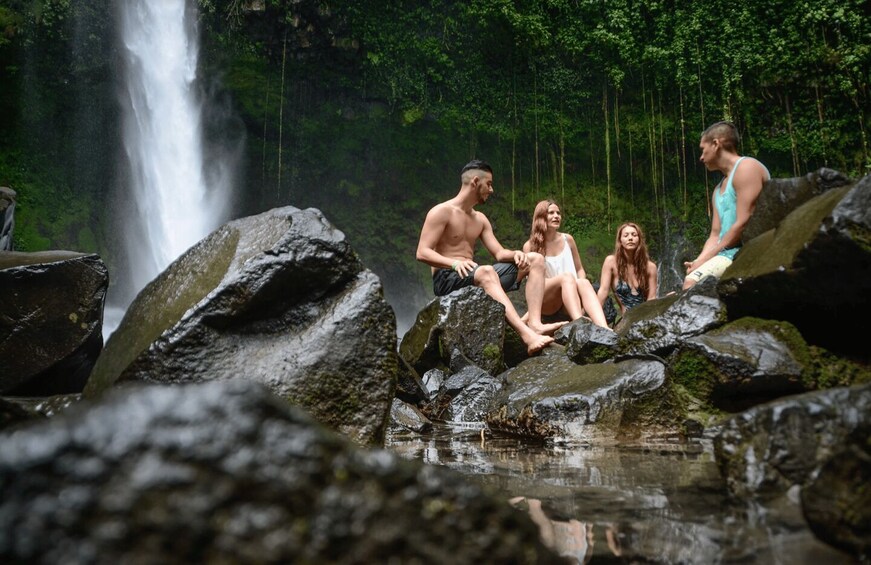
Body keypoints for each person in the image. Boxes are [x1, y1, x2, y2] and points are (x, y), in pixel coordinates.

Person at [416, 160, 565, 355]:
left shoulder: (480, 219)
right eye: (489, 184)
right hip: (447, 279)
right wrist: (454, 263)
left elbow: (499, 254)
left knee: (535, 259)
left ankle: (535, 324)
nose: (491, 190)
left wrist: (516, 254)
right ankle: (527, 336)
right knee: (485, 270)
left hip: (474, 276)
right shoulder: (441, 212)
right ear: (475, 181)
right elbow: (422, 252)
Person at [683, 121, 770, 289]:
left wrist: (705, 260)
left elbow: (743, 222)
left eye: (703, 149)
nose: (701, 157)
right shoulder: (717, 190)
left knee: (692, 283)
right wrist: (698, 261)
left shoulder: (747, 167)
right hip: (726, 254)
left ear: (716, 144)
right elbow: (715, 234)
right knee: (692, 278)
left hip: (748, 251)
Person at [522, 200, 610, 329]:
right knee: (567, 277)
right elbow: (533, 285)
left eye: (558, 213)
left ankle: (605, 328)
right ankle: (579, 322)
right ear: (541, 217)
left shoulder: (568, 239)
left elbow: (580, 269)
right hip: (547, 301)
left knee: (583, 282)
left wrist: (580, 289)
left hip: (569, 299)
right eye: (551, 213)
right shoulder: (529, 246)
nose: (556, 216)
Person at [597, 222, 658, 318]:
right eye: (626, 235)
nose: (630, 238)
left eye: (634, 235)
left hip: (645, 315)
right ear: (620, 240)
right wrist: (593, 317)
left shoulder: (650, 267)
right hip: (626, 317)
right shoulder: (611, 262)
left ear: (639, 240)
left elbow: (652, 298)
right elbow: (603, 291)